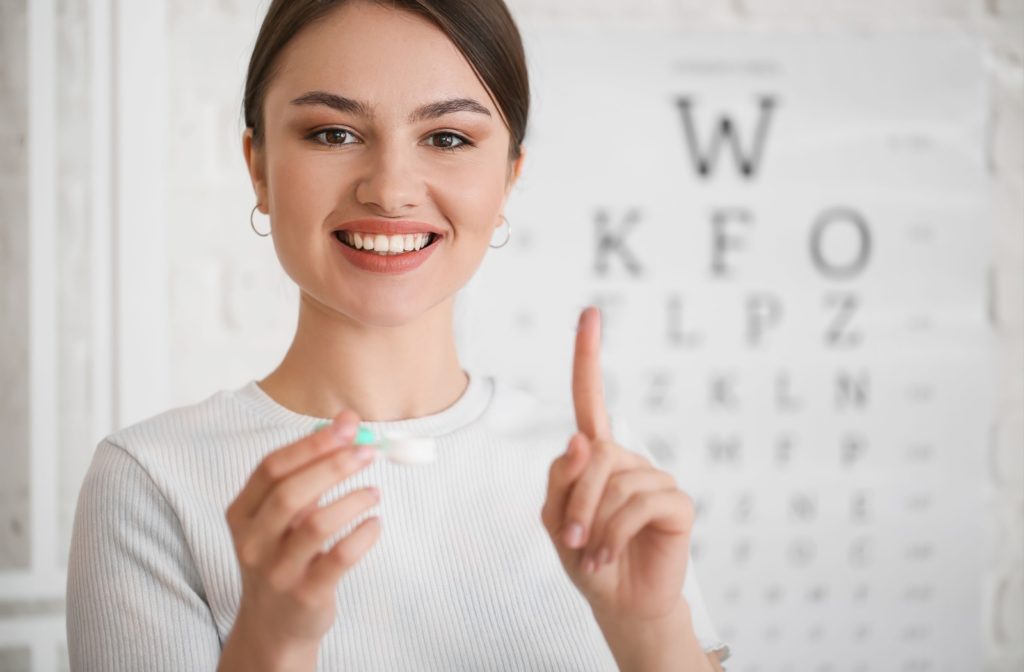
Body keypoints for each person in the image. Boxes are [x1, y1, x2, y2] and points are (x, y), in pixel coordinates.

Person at [65, 0, 732, 670]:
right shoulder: (152, 483)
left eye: (447, 138)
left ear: (508, 179)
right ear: (258, 167)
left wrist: (650, 631)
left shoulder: (598, 476)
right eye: (332, 134)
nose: (389, 190)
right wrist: (272, 643)